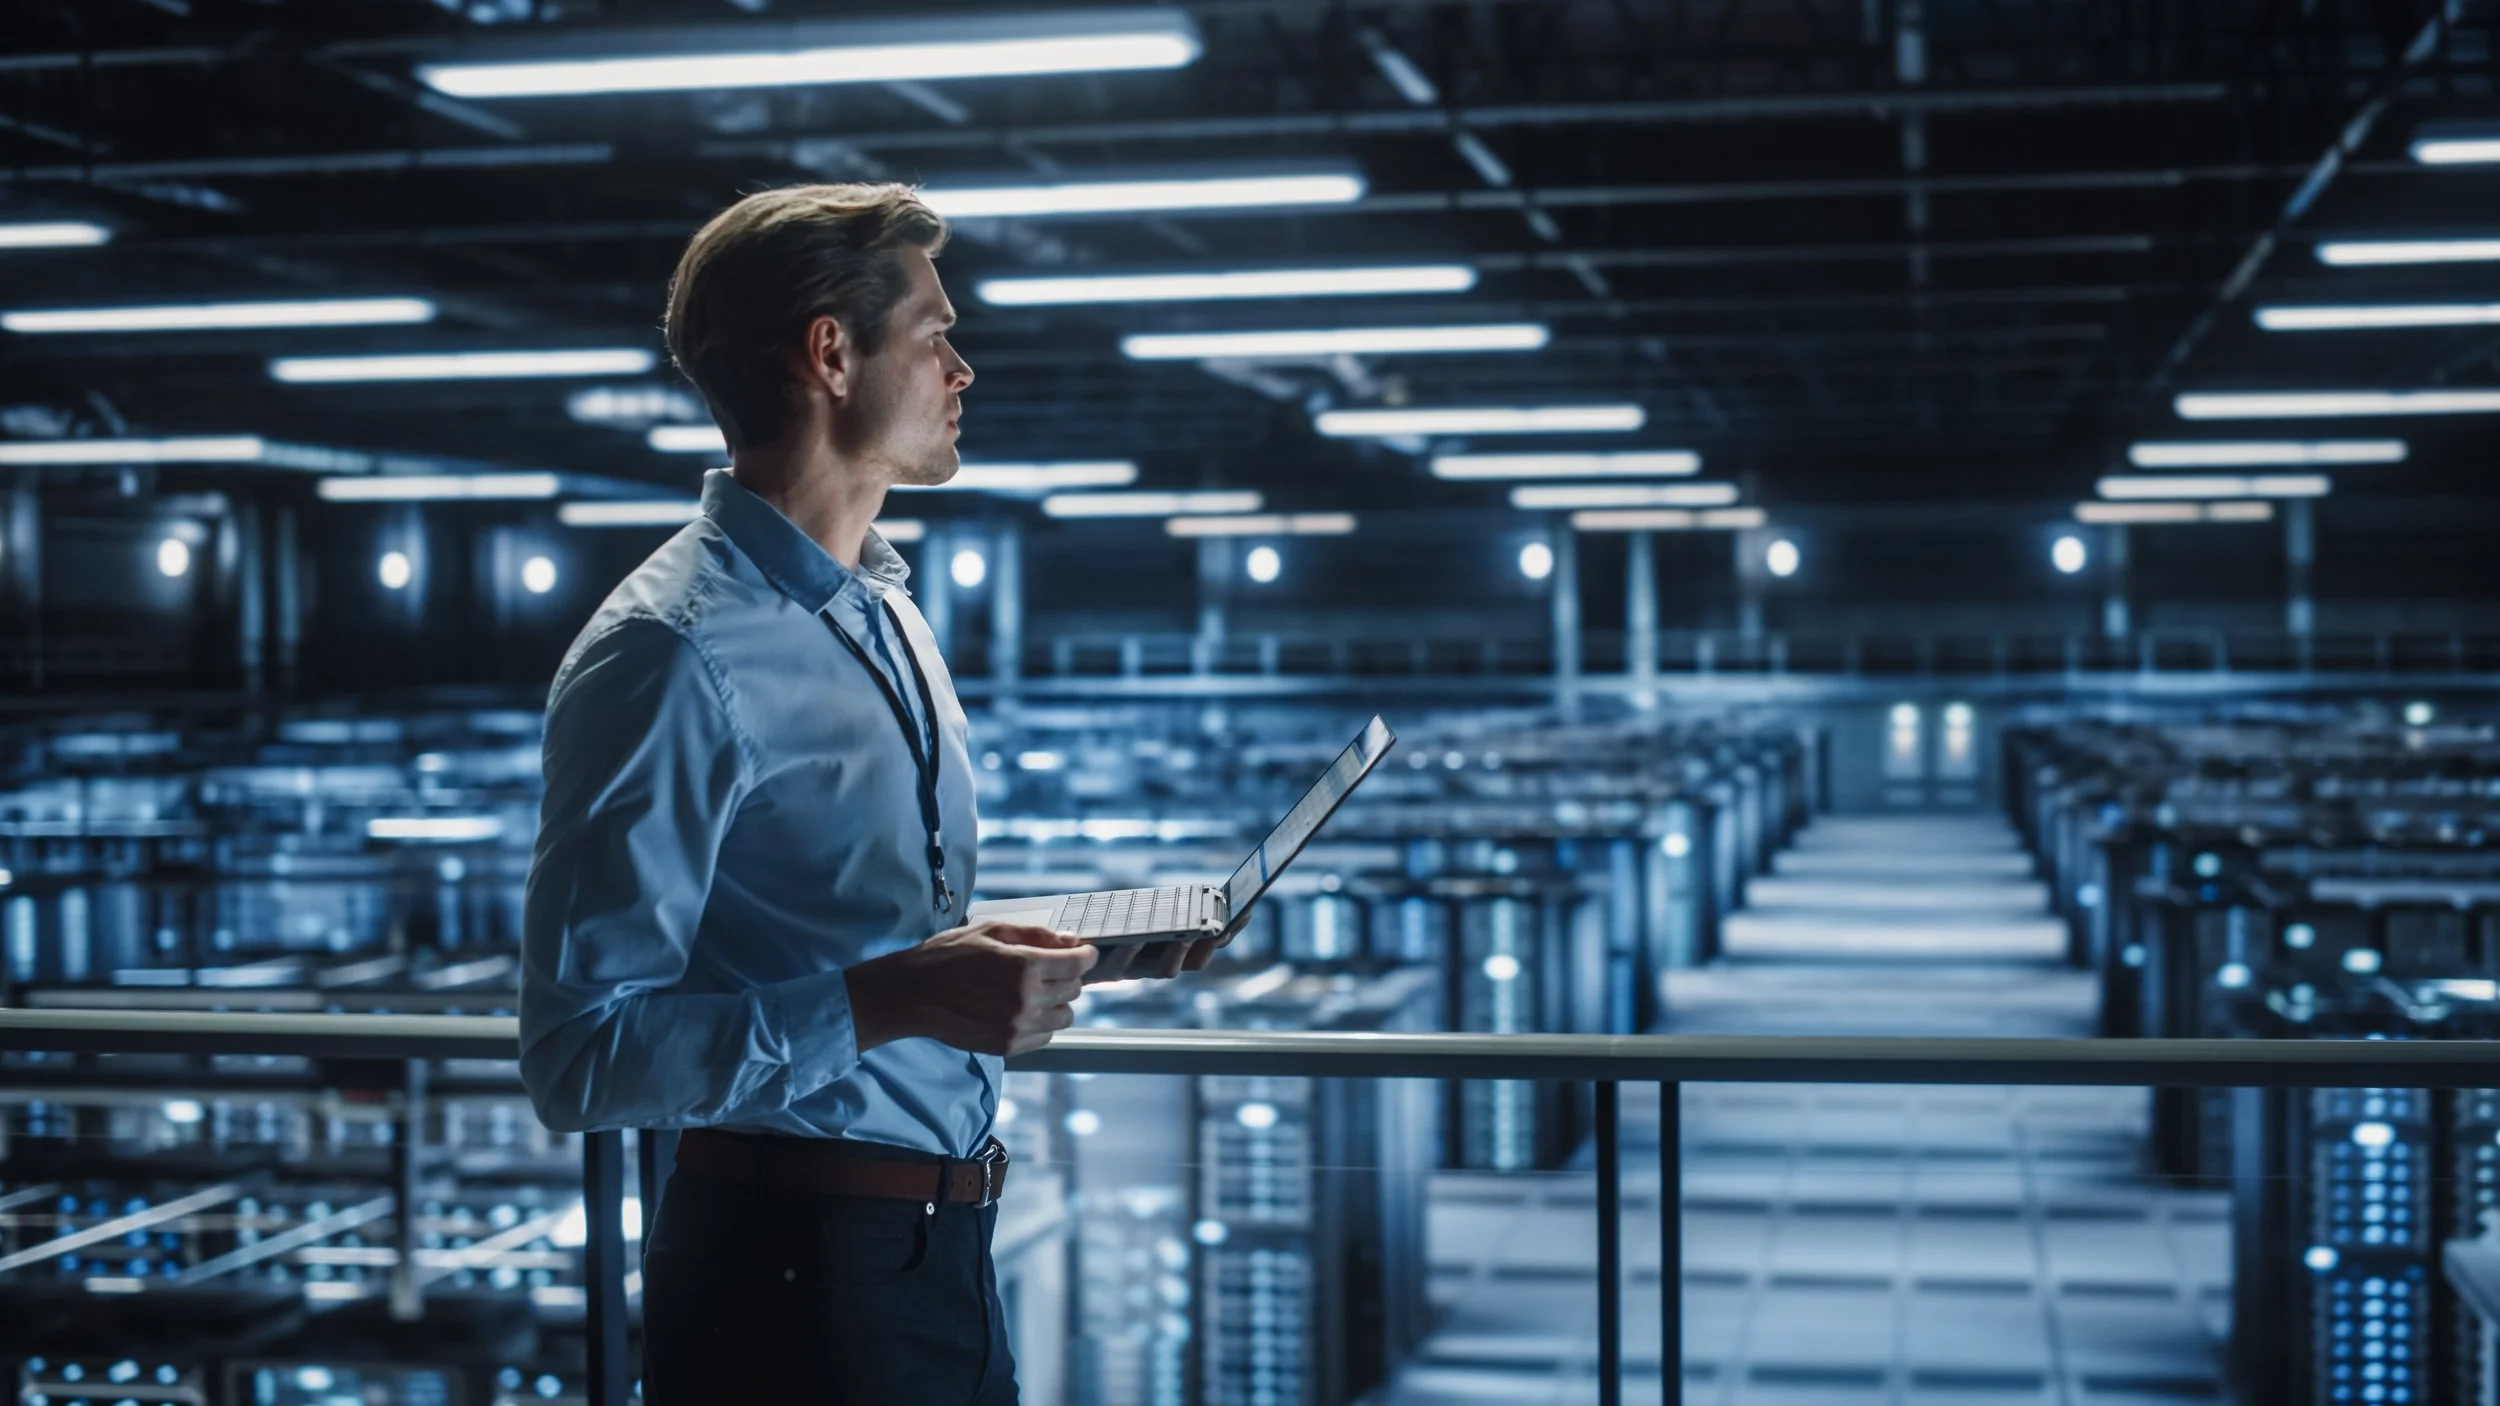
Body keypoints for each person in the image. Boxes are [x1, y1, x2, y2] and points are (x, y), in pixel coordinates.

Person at [518, 182, 1218, 1404]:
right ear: (831, 354)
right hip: (790, 1275)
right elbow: (582, 1054)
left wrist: (973, 954)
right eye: (933, 332)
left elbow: (859, 931)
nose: (963, 367)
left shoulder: (884, 610)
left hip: (936, 1249)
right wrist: (895, 994)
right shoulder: (673, 652)